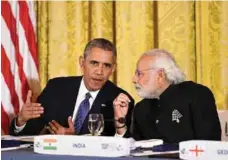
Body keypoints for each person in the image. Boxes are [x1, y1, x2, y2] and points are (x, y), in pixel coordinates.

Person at [9, 38, 134, 137]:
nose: (99, 71)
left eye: (106, 65)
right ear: (82, 62)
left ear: (113, 69)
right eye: (94, 63)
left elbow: (122, 145)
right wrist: (21, 120)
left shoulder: (120, 100)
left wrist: (74, 141)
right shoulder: (56, 88)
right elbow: (29, 135)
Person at [113, 49, 221, 143]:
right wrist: (120, 121)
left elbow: (209, 145)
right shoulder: (141, 108)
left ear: (160, 75)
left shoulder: (196, 94)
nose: (134, 80)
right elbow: (134, 150)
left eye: (139, 73)